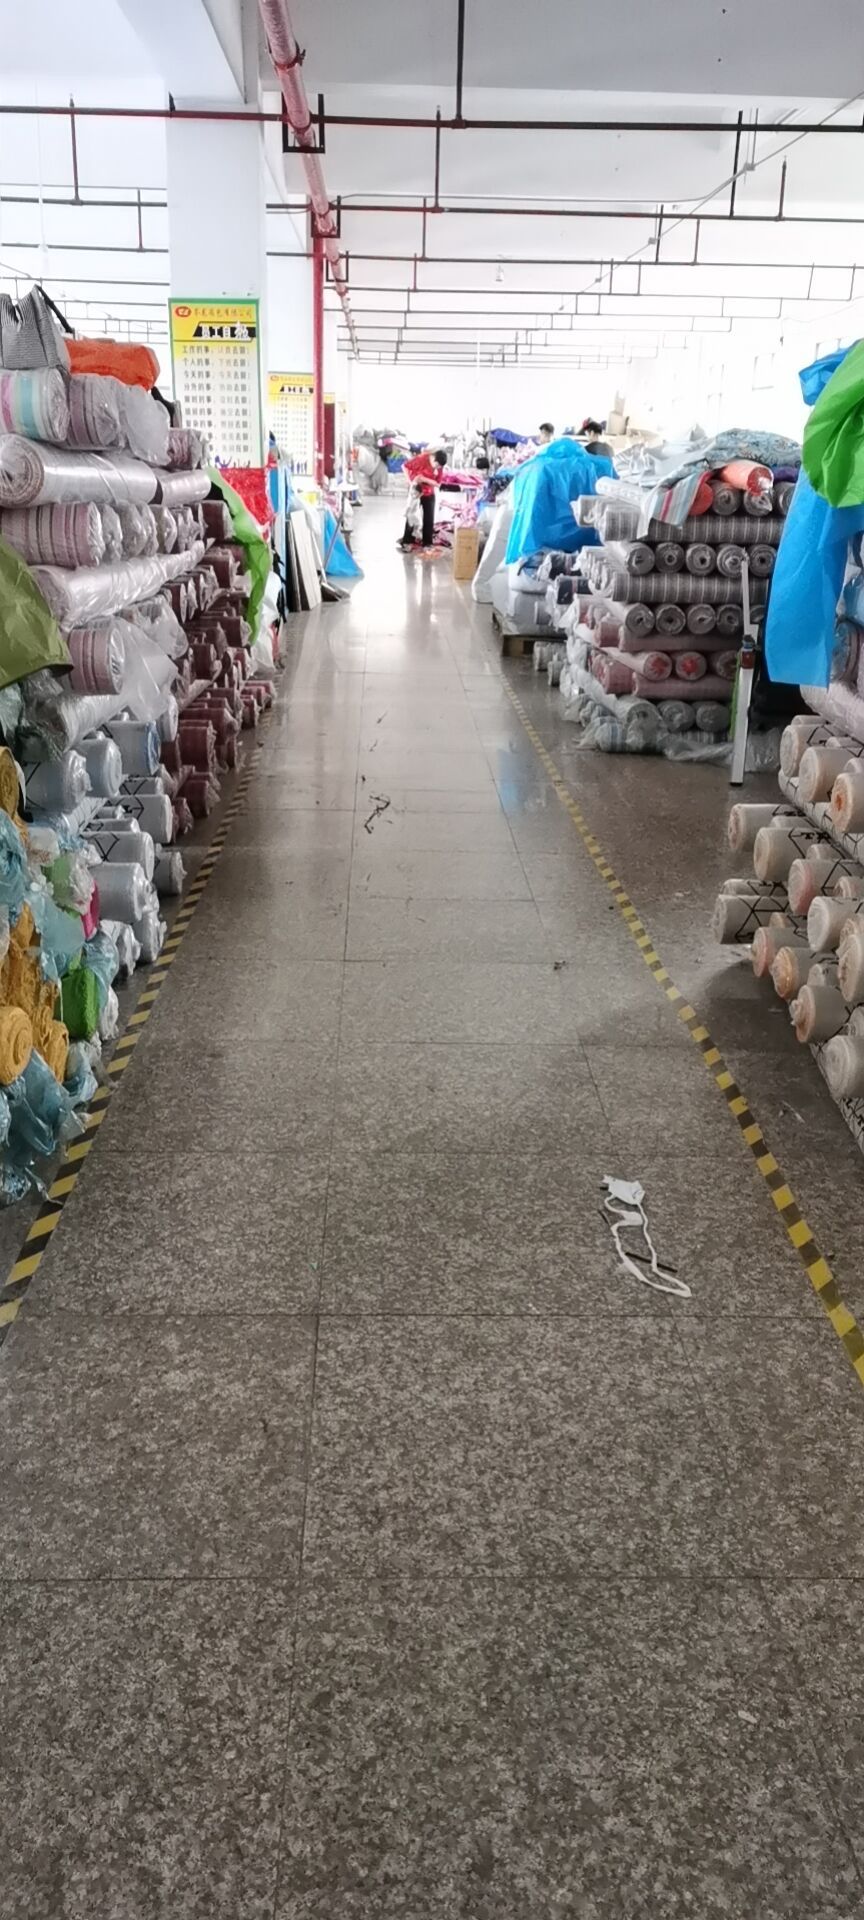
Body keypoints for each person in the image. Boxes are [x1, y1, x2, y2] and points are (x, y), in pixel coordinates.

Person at [397, 446, 447, 551]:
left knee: (429, 517)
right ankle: (407, 541)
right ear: (433, 458)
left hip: (429, 492)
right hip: (416, 491)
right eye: (437, 465)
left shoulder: (439, 466)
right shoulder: (421, 459)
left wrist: (425, 479)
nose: (437, 468)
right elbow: (404, 466)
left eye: (440, 467)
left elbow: (438, 482)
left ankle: (427, 543)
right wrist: (410, 482)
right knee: (412, 515)